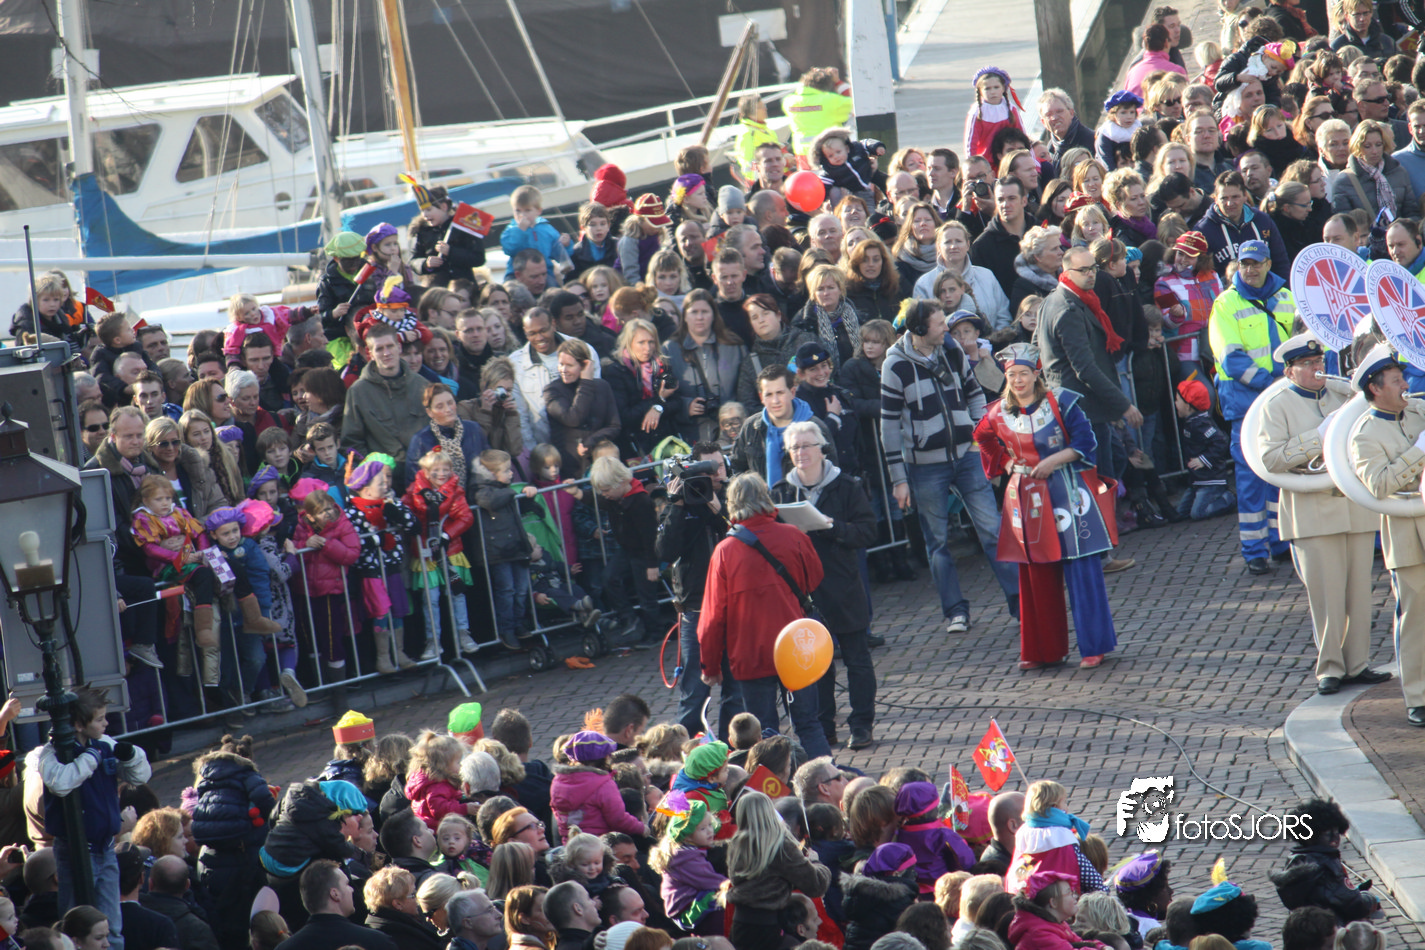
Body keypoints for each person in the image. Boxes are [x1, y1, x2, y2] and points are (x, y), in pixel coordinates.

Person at [1258, 333, 1391, 695]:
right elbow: (1269, 459)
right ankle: (1330, 668)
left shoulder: (1341, 396)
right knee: (1327, 596)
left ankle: (1357, 663)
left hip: (1353, 507)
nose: (1317, 369)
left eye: (1318, 362)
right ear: (1290, 371)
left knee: (1359, 594)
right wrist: (1317, 437)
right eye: (1307, 364)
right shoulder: (1276, 405)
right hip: (1312, 513)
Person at [974, 343, 1119, 670]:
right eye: (1012, 375)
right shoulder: (997, 412)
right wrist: (1005, 463)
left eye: (1024, 374)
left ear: (1036, 374)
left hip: (1068, 494)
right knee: (1035, 575)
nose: (1018, 380)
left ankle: (1094, 646)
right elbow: (982, 438)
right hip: (1027, 499)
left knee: (1081, 570)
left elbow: (1086, 443)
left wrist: (1054, 461)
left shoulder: (1063, 402)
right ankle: (1043, 650)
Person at [881, 300, 1020, 632]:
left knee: (992, 531)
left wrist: (978, 435)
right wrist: (898, 479)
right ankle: (956, 611)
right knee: (938, 543)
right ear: (919, 329)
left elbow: (973, 392)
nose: (947, 327)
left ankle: (1020, 603)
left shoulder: (951, 348)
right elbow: (888, 426)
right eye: (939, 323)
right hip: (925, 466)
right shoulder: (894, 365)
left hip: (966, 456)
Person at [698, 473, 832, 758]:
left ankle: (774, 783)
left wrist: (710, 665)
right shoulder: (794, 536)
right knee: (809, 724)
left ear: (732, 504)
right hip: (795, 647)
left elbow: (712, 618)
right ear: (766, 498)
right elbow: (815, 579)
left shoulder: (724, 551)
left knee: (763, 733)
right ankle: (825, 778)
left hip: (751, 652)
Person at [770, 421, 878, 750]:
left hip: (843, 585)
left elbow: (867, 531)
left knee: (857, 659)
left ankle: (862, 724)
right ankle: (824, 726)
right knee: (817, 664)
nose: (801, 452)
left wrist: (833, 527)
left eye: (807, 445)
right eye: (794, 447)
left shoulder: (846, 486)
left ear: (821, 448)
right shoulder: (781, 492)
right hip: (804, 592)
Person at [1035, 246, 1139, 571]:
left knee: (1105, 470)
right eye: (1084, 270)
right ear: (1066, 272)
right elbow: (1085, 369)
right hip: (1083, 410)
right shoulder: (1066, 308)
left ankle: (1097, 550)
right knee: (1096, 480)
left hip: (1081, 407)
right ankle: (1098, 554)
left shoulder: (1065, 299)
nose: (1091, 274)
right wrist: (1123, 404)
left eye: (1093, 267)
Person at [38, 685, 150, 950]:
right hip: (76, 850)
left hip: (106, 847)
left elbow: (140, 777)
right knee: (76, 925)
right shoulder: (52, 753)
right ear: (78, 724)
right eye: (99, 719)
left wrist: (132, 757)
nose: (106, 723)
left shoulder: (103, 744)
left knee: (112, 927)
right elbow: (61, 783)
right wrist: (90, 758)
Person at [1348, 344, 1425, 727]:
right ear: (1375, 389)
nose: (1405, 385)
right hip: (1407, 532)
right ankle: (1419, 696)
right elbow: (1379, 484)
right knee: (1415, 617)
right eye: (1396, 381)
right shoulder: (1364, 435)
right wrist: (1419, 451)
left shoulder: (1418, 411)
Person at [1207, 239, 1294, 574]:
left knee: (1279, 473)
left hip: (1280, 399)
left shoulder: (1285, 298)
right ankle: (1254, 550)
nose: (1250, 269)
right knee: (1250, 479)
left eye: (1256, 263)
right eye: (1245, 264)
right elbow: (1230, 358)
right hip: (1246, 403)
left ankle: (1279, 540)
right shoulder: (1225, 303)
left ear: (1268, 264)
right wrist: (1270, 383)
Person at [656, 441, 745, 740]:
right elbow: (665, 551)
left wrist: (719, 509)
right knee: (695, 691)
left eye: (718, 466)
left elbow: (745, 536)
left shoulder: (735, 497)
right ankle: (690, 752)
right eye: (706, 469)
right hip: (696, 607)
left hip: (734, 605)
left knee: (737, 689)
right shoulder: (680, 503)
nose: (714, 474)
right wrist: (676, 505)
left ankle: (734, 748)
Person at [724, 791, 831, 950]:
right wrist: (815, 861)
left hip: (740, 925)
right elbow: (816, 885)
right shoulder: (780, 845)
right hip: (767, 928)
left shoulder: (736, 844)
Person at [342, 323, 430, 474]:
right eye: (379, 349)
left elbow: (437, 430)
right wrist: (374, 470)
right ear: (370, 353)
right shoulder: (358, 392)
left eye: (390, 346)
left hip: (424, 471)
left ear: (399, 347)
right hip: (384, 476)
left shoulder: (422, 385)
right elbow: (351, 442)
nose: (386, 353)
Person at [662, 290, 747, 445]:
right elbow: (663, 394)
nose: (699, 317)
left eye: (705, 312)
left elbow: (747, 389)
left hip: (732, 431)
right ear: (685, 316)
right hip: (690, 433)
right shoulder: (669, 350)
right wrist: (685, 406)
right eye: (694, 312)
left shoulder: (734, 346)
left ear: (714, 315)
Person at [274, 860, 397, 950]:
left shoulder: (285, 948)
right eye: (347, 884)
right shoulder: (377, 942)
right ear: (335, 894)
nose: (352, 890)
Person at [603, 318, 681, 458]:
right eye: (641, 342)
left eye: (651, 342)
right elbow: (625, 416)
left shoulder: (662, 365)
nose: (648, 348)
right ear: (629, 343)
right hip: (634, 446)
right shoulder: (615, 371)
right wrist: (659, 400)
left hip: (665, 442)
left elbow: (677, 401)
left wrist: (658, 408)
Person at [543, 340, 620, 477]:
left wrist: (591, 441)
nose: (563, 370)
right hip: (571, 468)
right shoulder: (552, 391)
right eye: (561, 364)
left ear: (584, 365)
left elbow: (614, 425)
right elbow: (573, 419)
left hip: (601, 463)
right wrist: (586, 383)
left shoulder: (602, 386)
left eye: (570, 365)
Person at [1196, 170, 1288, 278]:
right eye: (1224, 198)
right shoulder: (1203, 230)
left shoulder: (1263, 221)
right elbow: (1200, 274)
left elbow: (1281, 263)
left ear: (1245, 196)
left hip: (1266, 287)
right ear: (1215, 199)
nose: (1230, 203)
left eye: (1235, 197)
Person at [1330, 119, 1416, 222]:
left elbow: (1412, 213)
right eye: (1367, 146)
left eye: (1378, 144)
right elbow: (1345, 224)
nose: (1374, 151)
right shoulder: (1344, 181)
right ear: (1358, 146)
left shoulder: (1399, 173)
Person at [971, 178, 1032, 299]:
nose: (1005, 205)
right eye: (1000, 200)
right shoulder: (982, 246)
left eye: (1012, 198)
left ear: (1024, 201)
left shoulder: (1041, 231)